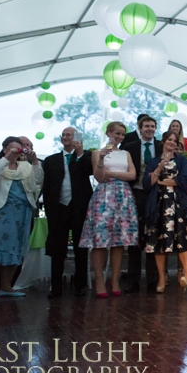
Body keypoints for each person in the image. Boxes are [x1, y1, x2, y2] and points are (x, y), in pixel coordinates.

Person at [0, 137, 44, 300]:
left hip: (22, 211)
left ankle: (6, 287)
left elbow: (38, 180)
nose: (16, 151)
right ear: (4, 148)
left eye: (19, 148)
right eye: (12, 148)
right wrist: (7, 157)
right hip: (1, 211)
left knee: (15, 249)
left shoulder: (26, 166)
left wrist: (35, 160)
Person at [80, 121, 138, 298]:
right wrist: (102, 160)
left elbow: (132, 175)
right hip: (104, 196)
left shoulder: (126, 153)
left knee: (119, 241)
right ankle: (99, 280)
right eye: (117, 133)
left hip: (123, 196)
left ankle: (114, 279)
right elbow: (99, 177)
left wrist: (111, 173)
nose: (120, 137)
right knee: (100, 240)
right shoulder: (97, 153)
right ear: (108, 133)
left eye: (122, 134)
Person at [41, 127, 93, 299]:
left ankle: (80, 286)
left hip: (79, 207)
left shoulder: (86, 157)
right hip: (59, 208)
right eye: (63, 135)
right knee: (58, 249)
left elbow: (90, 172)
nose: (65, 137)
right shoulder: (51, 160)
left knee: (80, 247)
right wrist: (49, 207)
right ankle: (55, 287)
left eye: (68, 135)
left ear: (77, 138)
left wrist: (80, 154)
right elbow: (46, 186)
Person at [143, 131, 187, 293]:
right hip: (158, 206)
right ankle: (162, 279)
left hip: (178, 205)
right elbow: (147, 183)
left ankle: (186, 274)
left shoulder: (182, 160)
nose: (172, 142)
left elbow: (184, 181)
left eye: (174, 140)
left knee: (181, 239)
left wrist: (161, 181)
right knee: (158, 242)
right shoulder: (153, 161)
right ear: (163, 142)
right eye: (169, 140)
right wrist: (160, 167)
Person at [122, 116, 162, 292]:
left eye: (153, 126)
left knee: (153, 235)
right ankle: (133, 280)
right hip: (135, 193)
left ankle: (153, 280)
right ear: (139, 128)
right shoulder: (130, 148)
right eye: (146, 126)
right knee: (135, 238)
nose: (150, 129)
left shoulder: (161, 146)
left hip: (156, 194)